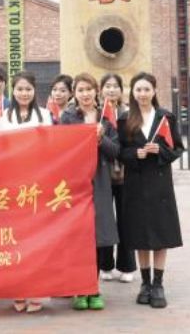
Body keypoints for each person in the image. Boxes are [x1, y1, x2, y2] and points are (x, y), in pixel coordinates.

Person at [117, 72, 183, 309]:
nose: (142, 94)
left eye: (146, 89)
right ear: (132, 92)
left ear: (154, 91)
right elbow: (119, 151)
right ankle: (144, 283)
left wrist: (160, 151)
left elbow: (177, 148)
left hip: (159, 184)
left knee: (161, 234)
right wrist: (135, 154)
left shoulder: (166, 117)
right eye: (138, 90)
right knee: (140, 235)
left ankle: (158, 284)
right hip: (135, 183)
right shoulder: (125, 119)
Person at [0, 71, 51, 313]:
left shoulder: (45, 115)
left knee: (37, 241)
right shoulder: (2, 119)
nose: (24, 93)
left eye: (28, 89)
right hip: (11, 185)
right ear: (12, 91)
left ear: (34, 91)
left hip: (38, 184)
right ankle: (17, 291)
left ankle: (36, 292)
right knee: (14, 240)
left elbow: (50, 148)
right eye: (19, 89)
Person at [61, 73, 120, 312]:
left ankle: (93, 288)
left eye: (89, 89)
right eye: (80, 90)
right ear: (74, 93)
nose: (85, 94)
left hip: (101, 181)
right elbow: (61, 149)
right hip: (75, 183)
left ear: (96, 91)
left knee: (97, 236)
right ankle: (79, 288)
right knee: (78, 237)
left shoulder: (106, 117)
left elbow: (116, 151)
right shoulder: (68, 117)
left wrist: (101, 138)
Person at [97, 73, 136, 284]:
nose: (111, 90)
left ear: (121, 90)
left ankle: (127, 266)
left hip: (125, 175)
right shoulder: (97, 114)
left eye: (115, 86)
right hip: (102, 175)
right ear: (101, 90)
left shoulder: (128, 114)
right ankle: (105, 265)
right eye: (107, 86)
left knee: (125, 220)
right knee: (104, 221)